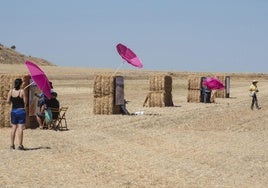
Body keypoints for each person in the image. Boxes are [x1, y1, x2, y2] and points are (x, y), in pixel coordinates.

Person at [7, 78, 27, 150]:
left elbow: (8, 101)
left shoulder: (11, 91)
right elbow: (25, 102)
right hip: (21, 111)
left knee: (13, 128)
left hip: (14, 111)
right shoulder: (22, 91)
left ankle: (12, 145)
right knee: (20, 128)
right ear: (21, 84)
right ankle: (20, 145)